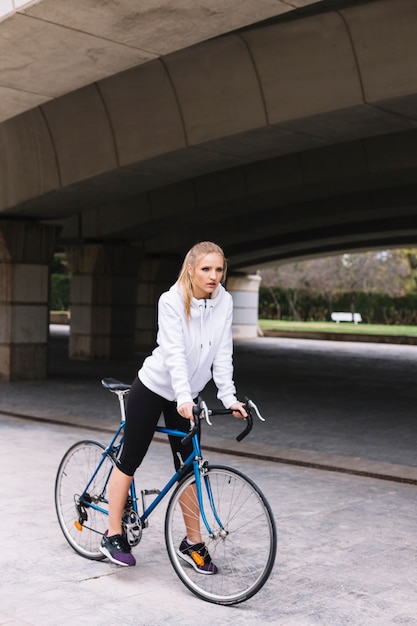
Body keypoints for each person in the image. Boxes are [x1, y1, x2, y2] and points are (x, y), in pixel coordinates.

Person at [99, 241, 247, 572]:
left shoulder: (225, 302)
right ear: (191, 269)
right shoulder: (170, 300)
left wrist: (229, 397)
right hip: (155, 387)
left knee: (188, 466)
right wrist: (182, 397)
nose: (214, 276)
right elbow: (174, 353)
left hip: (186, 395)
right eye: (206, 269)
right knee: (130, 458)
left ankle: (192, 543)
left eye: (219, 269)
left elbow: (223, 352)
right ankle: (112, 533)